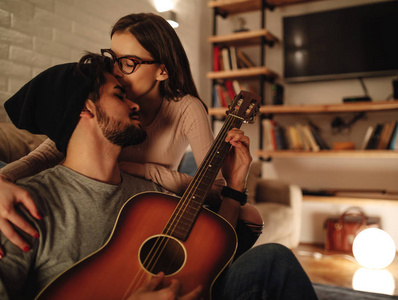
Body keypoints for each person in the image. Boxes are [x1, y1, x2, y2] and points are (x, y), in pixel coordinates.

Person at [0, 54, 318, 300]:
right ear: (87, 108)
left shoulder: (150, 196)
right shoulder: (24, 204)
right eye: (119, 95)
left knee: (273, 260)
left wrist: (235, 184)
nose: (134, 103)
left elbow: (209, 250)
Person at [0, 12, 262, 256]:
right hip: (98, 189)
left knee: (248, 216)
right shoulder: (101, 102)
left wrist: (145, 170)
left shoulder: (186, 108)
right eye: (113, 59)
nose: (115, 71)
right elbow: (45, 154)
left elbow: (215, 189)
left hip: (151, 194)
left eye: (128, 63)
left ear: (162, 70)